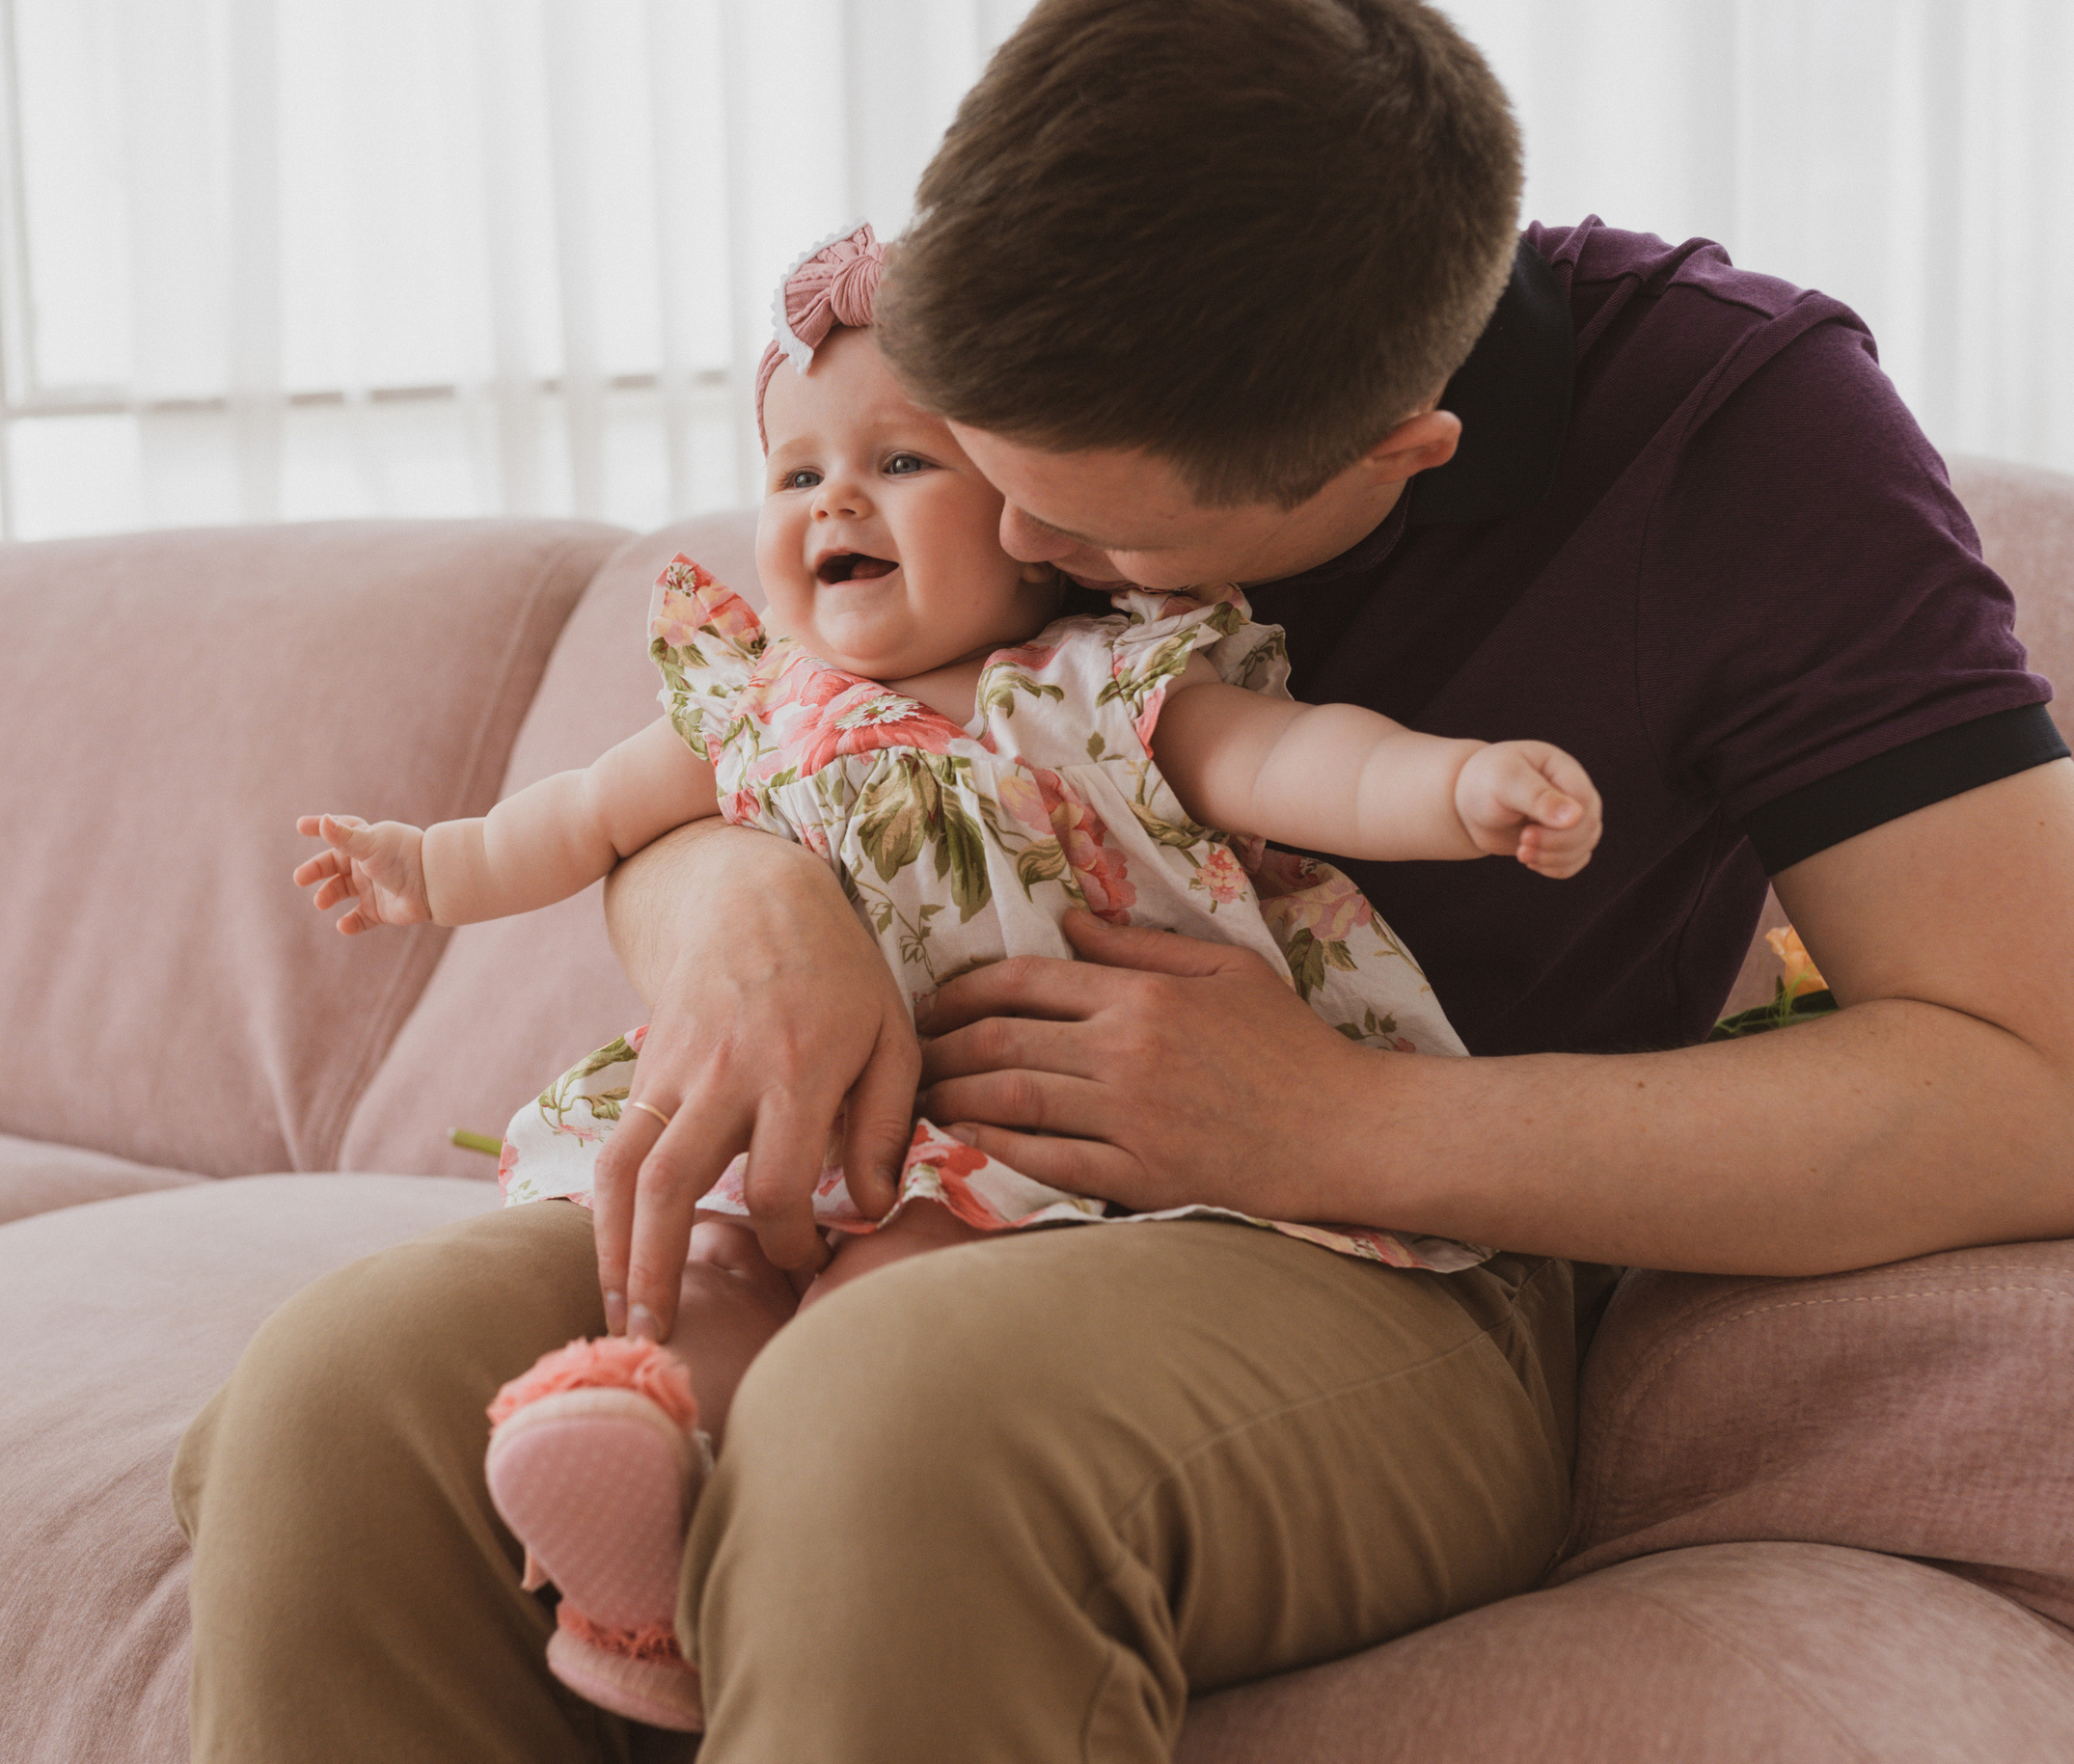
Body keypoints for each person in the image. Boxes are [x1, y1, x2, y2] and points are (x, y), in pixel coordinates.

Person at [169, 2, 2074, 1759]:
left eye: (1079, 531)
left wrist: (1335, 1127)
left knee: (882, 1430)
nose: (996, 547)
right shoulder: (1015, 341)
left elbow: (2027, 1078)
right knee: (339, 1405)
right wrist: (743, 899)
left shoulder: (1739, 445)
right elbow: (767, 742)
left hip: (1378, 1264)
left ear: (1398, 456)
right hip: (887, 1181)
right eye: (962, 466)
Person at [285, 224, 1601, 1731]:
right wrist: (426, 867)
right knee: (692, 1278)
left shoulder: (1097, 688)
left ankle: (736, 1529)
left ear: (1038, 513)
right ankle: (634, 1542)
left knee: (868, 1336)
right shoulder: (759, 704)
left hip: (1008, 1151)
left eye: (903, 464)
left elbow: (1307, 759)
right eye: (797, 474)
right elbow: (578, 819)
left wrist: (1463, 788)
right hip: (783, 1134)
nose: (834, 500)